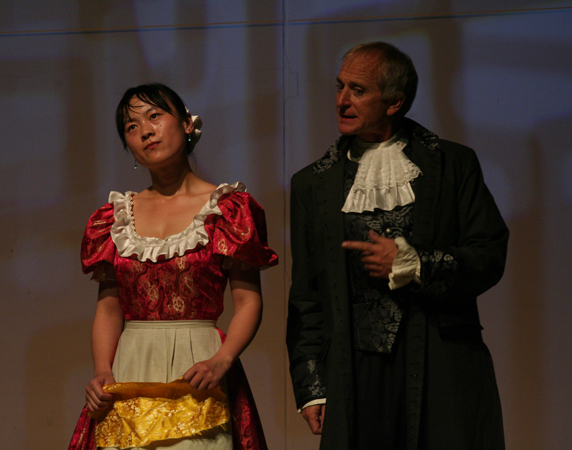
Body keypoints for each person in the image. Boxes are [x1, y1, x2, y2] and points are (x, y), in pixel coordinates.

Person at [286, 42, 508, 450]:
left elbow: (488, 255)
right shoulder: (312, 183)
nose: (341, 101)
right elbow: (306, 296)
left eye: (357, 90)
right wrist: (312, 385)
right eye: (339, 86)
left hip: (440, 361)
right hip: (355, 373)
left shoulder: (453, 164)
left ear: (394, 102)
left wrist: (413, 263)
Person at [69, 83, 278, 450]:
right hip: (132, 364)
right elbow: (109, 307)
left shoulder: (227, 209)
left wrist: (222, 360)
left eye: (154, 116)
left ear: (186, 124)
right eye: (132, 126)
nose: (145, 131)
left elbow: (248, 302)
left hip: (199, 367)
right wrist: (103, 371)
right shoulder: (115, 218)